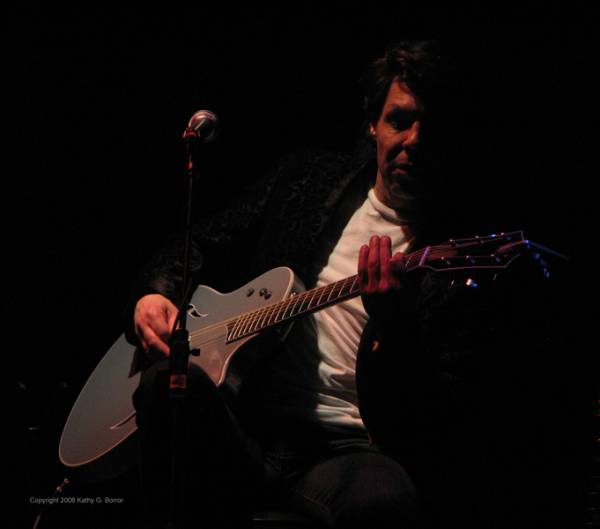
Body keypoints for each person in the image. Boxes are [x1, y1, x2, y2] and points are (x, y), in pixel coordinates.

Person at [126, 41, 578, 529]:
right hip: (246, 420)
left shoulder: (458, 255)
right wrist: (157, 290)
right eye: (400, 120)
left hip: (343, 451)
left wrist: (393, 329)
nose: (415, 140)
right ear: (373, 125)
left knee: (385, 500)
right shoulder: (307, 181)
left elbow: (444, 422)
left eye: (433, 124)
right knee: (165, 386)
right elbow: (206, 239)